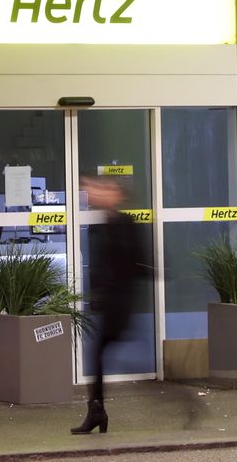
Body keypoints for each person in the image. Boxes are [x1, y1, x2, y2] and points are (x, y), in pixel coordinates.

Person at [70, 175, 145, 435]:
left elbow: (137, 263)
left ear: (117, 195)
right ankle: (96, 411)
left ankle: (97, 411)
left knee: (99, 356)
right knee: (99, 355)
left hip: (120, 306)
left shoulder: (125, 224)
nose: (96, 193)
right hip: (112, 304)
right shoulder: (107, 222)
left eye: (105, 189)